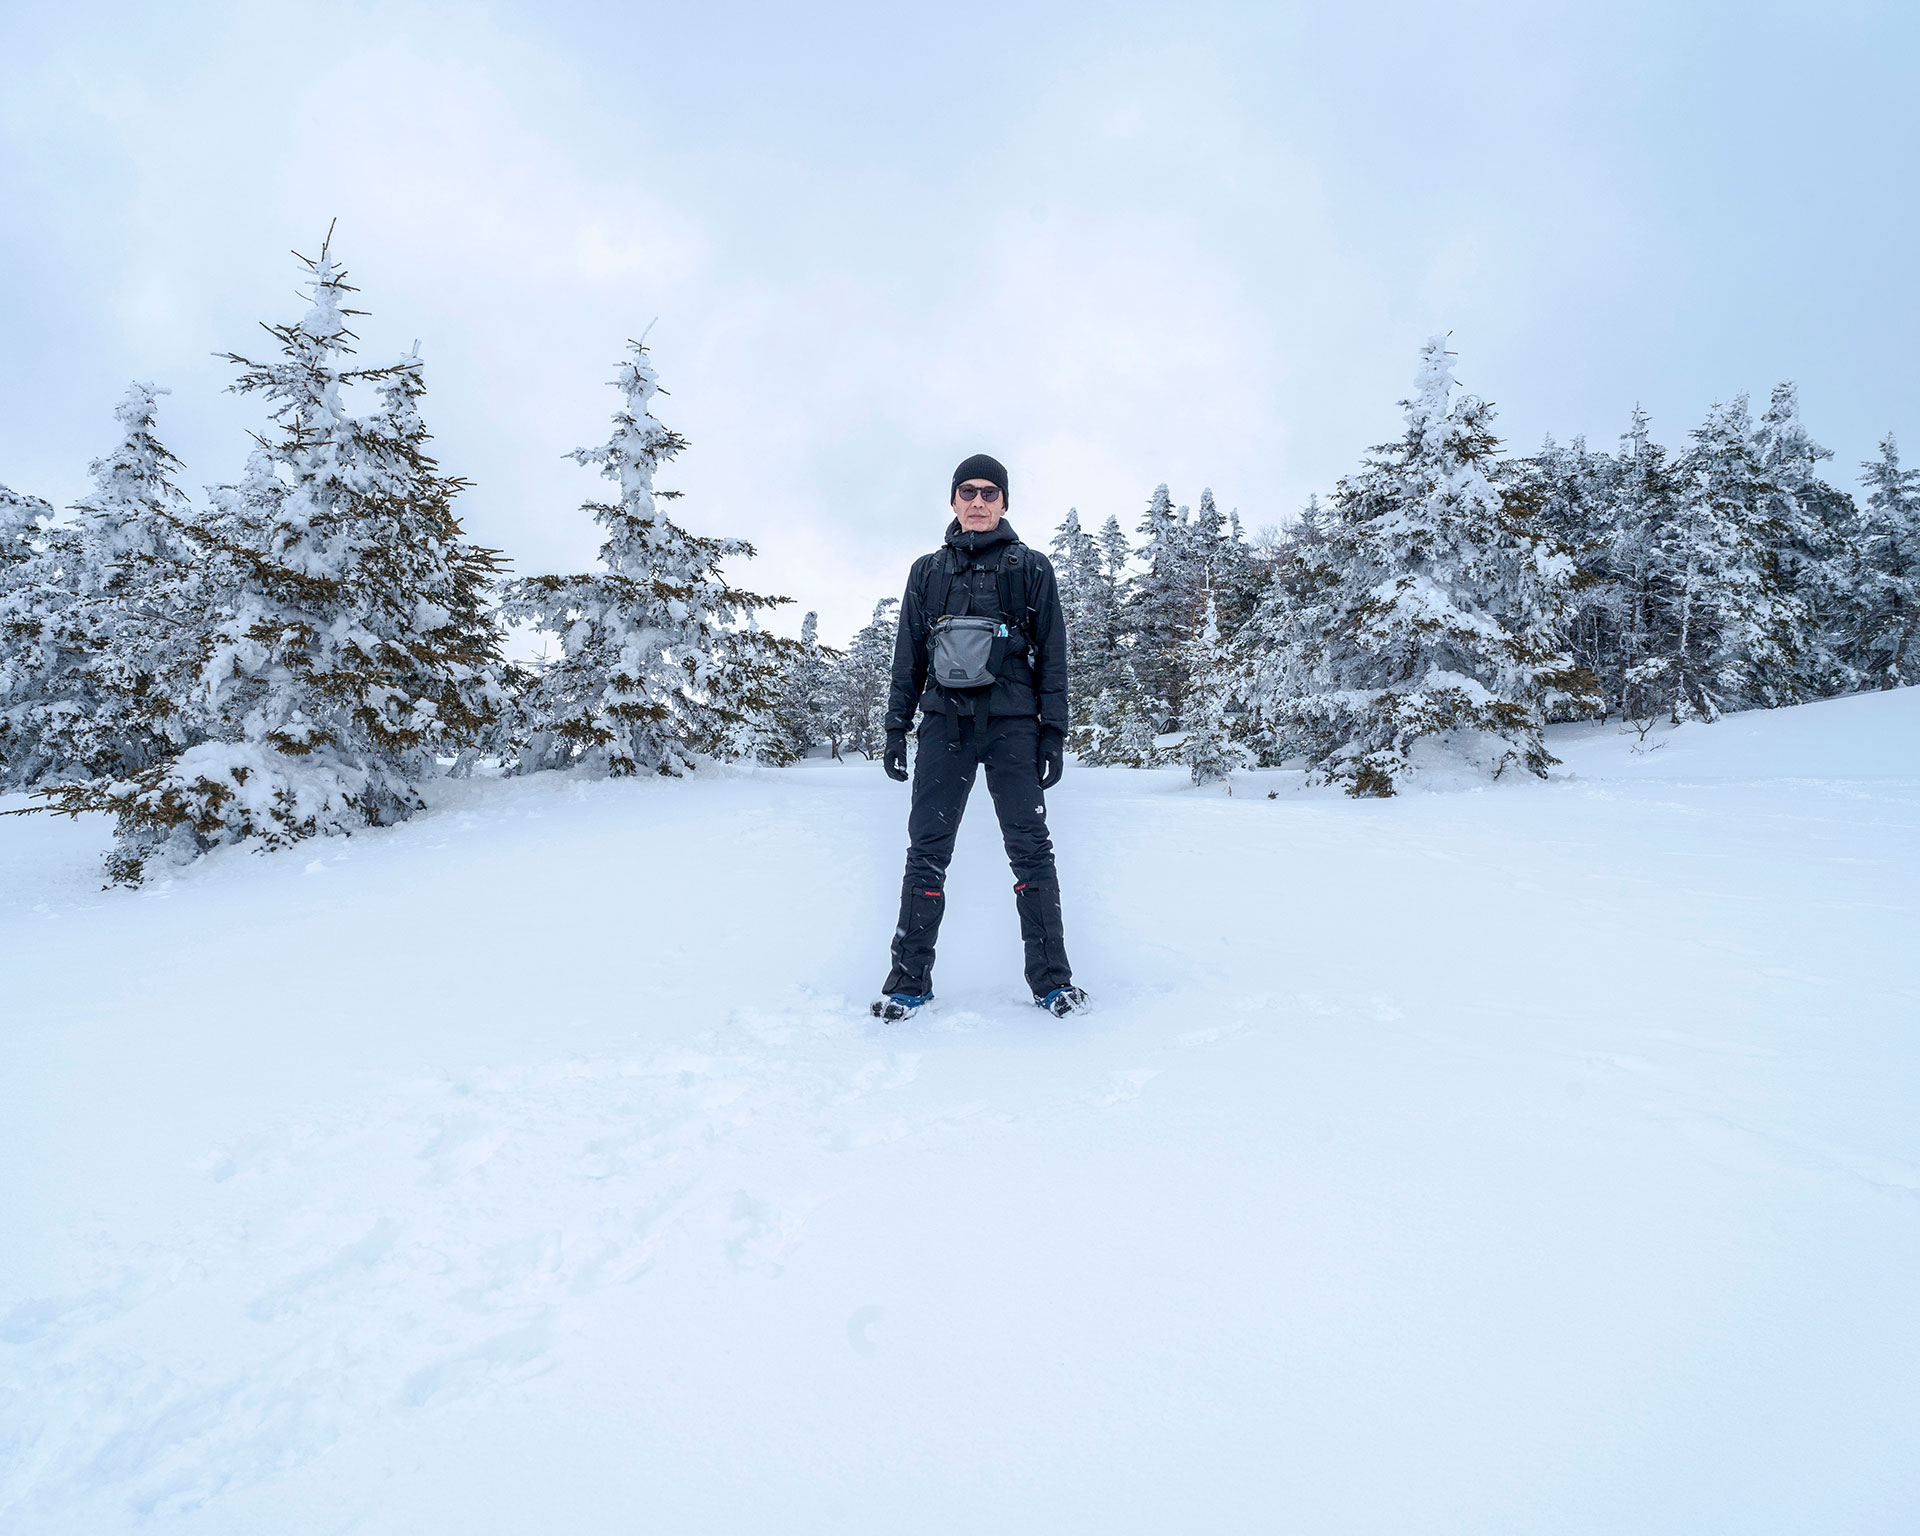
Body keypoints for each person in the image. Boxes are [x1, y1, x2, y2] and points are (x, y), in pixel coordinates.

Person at [871, 453, 1090, 1022]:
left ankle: (1053, 983)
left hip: (1013, 728)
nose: (977, 501)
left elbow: (1054, 656)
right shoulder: (927, 571)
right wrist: (897, 729)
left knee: (1031, 854)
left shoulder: (1032, 567)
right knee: (926, 855)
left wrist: (1053, 733)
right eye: (967, 491)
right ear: (952, 501)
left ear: (1004, 502)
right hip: (943, 727)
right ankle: (908, 982)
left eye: (989, 492)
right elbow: (909, 656)